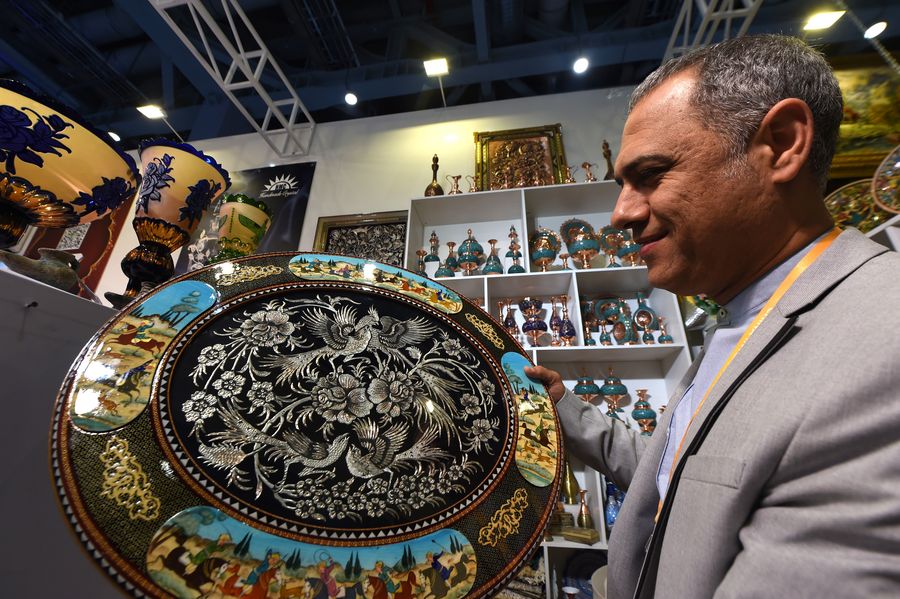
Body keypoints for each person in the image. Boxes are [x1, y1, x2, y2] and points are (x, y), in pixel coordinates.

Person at [526, 34, 900, 598]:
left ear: (781, 145)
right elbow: (685, 478)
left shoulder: (881, 342)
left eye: (651, 174)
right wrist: (565, 410)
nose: (621, 214)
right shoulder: (751, 316)